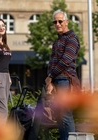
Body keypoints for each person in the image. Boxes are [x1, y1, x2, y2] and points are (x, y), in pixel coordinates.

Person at [45, 9, 81, 140]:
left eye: (60, 21)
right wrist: (50, 81)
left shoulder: (72, 38)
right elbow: (52, 62)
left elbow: (65, 61)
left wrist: (50, 76)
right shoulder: (57, 40)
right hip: (57, 81)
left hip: (65, 80)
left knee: (65, 114)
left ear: (66, 21)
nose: (57, 24)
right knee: (59, 115)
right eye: (55, 22)